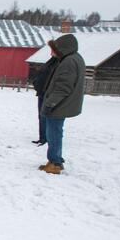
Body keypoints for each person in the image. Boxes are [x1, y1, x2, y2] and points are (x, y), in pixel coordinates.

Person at [38, 34, 85, 175]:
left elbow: (63, 88)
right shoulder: (73, 59)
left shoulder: (69, 62)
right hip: (62, 105)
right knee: (55, 132)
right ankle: (55, 160)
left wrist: (49, 104)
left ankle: (55, 163)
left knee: (54, 133)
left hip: (59, 106)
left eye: (53, 49)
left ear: (62, 48)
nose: (51, 52)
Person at [30, 56, 57, 146]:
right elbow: (42, 76)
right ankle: (42, 137)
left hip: (48, 94)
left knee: (46, 117)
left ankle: (47, 138)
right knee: (42, 117)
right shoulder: (50, 62)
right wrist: (36, 82)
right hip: (42, 93)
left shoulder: (59, 64)